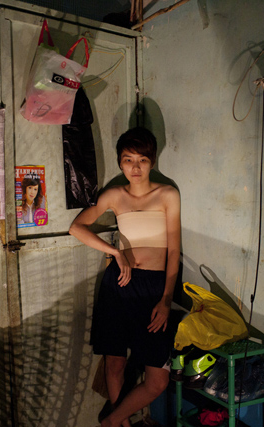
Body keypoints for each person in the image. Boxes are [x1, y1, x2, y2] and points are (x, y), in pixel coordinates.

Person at [69, 127, 181, 427]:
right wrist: (115, 252)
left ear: (152, 162)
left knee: (157, 379)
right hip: (119, 284)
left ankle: (112, 421)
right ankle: (123, 424)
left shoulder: (167, 194)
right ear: (120, 161)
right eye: (128, 159)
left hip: (153, 289)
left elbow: (174, 251)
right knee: (115, 362)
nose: (134, 167)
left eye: (142, 160)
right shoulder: (114, 195)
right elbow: (76, 227)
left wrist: (167, 300)